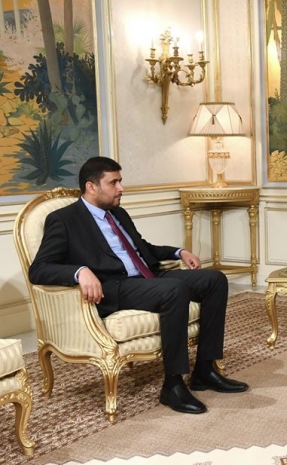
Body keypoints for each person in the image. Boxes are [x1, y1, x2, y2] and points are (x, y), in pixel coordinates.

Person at [29, 156, 248, 414]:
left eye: (120, 181)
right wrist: (80, 271)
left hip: (148, 277)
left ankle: (204, 370)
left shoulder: (118, 213)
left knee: (214, 280)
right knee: (174, 290)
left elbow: (142, 249)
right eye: (114, 183)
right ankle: (173, 385)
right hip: (114, 287)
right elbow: (39, 269)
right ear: (91, 187)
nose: (121, 188)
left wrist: (178, 252)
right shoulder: (64, 219)